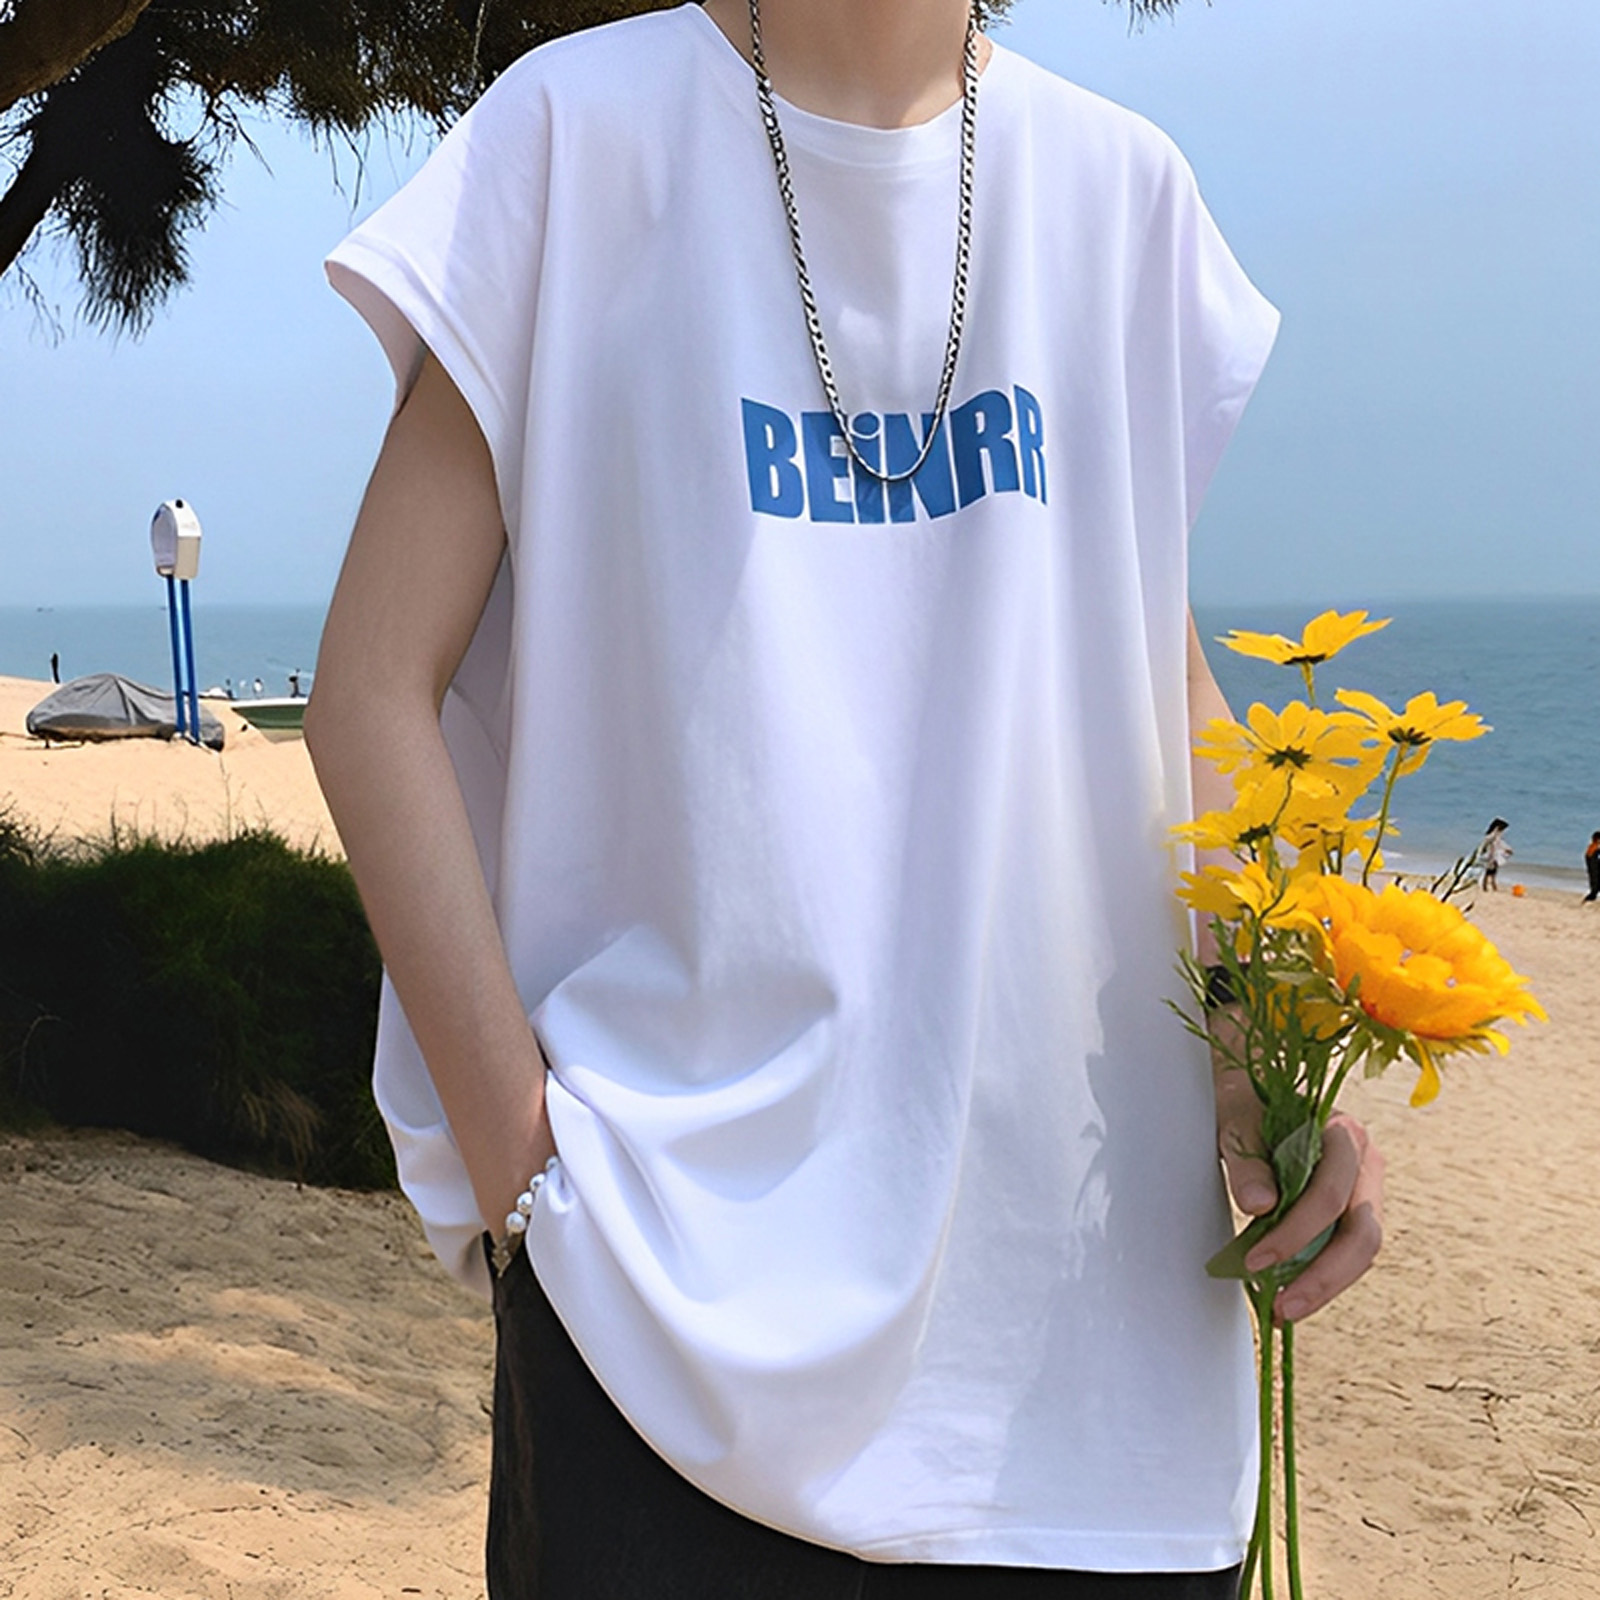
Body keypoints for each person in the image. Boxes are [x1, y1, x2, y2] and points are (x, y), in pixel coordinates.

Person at [306, 4, 1385, 1596]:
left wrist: (1266, 1061)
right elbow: (367, 690)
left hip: (1103, 1383)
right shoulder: (573, 140)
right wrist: (526, 1177)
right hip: (667, 1340)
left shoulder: (1123, 192)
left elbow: (1159, 690)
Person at [1480, 817, 1512, 891]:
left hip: (1494, 855)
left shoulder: (1494, 835)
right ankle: (1488, 886)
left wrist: (1506, 849)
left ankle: (1490, 885)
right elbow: (1494, 845)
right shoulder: (1492, 836)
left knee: (1491, 871)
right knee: (1490, 871)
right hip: (1492, 855)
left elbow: (1499, 843)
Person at [1584, 832, 1600, 902]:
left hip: (1593, 871)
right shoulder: (1594, 848)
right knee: (1595, 889)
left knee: (1594, 888)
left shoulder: (1591, 848)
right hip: (1595, 871)